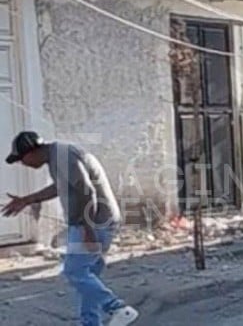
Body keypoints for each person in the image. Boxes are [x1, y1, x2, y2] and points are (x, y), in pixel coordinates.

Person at [1, 132, 139, 326]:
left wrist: (87, 229)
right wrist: (27, 200)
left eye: (21, 159)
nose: (22, 164)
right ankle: (91, 323)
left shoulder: (64, 156)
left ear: (31, 151)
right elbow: (60, 187)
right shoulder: (58, 157)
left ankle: (118, 308)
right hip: (98, 221)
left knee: (75, 272)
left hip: (93, 222)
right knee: (87, 279)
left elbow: (86, 191)